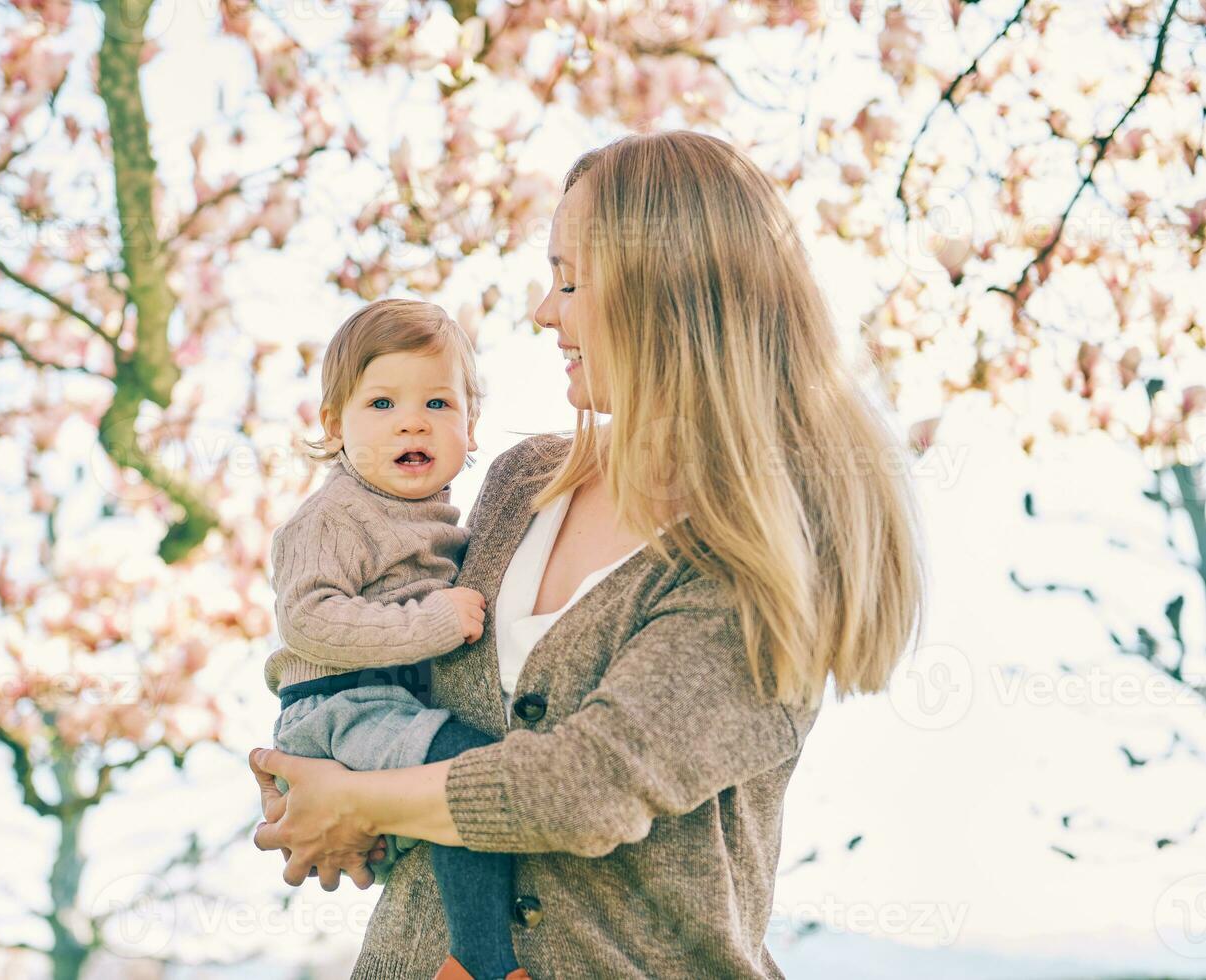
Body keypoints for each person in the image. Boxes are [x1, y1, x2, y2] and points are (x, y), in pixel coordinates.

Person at [249, 130, 927, 979]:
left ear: (670, 295)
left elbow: (585, 787)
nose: (542, 311)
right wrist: (311, 770)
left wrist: (358, 799)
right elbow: (389, 660)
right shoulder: (516, 485)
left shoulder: (771, 556)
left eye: (569, 281)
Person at [264, 297, 531, 980]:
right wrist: (428, 626)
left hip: (386, 705)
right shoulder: (334, 516)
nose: (412, 419)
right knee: (465, 776)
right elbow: (309, 618)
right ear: (334, 424)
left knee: (447, 800)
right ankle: (481, 964)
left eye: (438, 404)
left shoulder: (440, 519)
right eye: (381, 404)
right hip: (339, 706)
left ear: (471, 429)